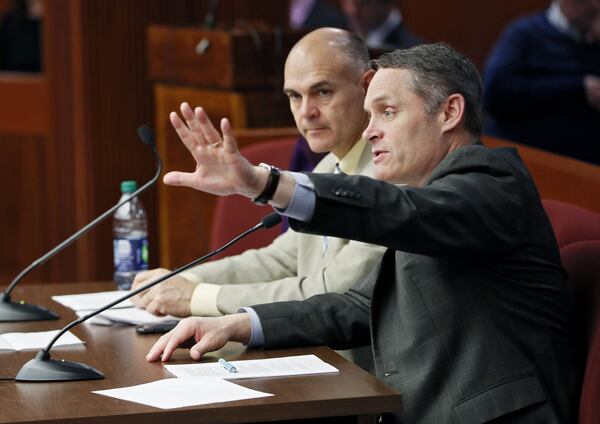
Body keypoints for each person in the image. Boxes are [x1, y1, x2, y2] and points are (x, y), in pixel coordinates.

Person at [146, 43, 582, 424]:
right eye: (370, 114)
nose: (370, 129)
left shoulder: (491, 184)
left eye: (388, 112)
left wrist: (266, 184)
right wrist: (239, 323)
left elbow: (399, 212)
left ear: (450, 112)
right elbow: (358, 305)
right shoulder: (428, 197)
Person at [132, 28, 385, 362]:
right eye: (294, 96)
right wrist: (183, 279)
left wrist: (199, 297)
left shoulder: (390, 173)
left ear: (367, 86)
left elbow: (332, 292)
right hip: (318, 360)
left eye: (322, 92)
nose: (306, 112)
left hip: (366, 381)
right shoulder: (328, 166)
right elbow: (281, 258)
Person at [483, 0, 600, 165]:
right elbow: (495, 93)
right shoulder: (525, 33)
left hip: (584, 169)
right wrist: (578, 89)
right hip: (522, 162)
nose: (596, 6)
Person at [340, 0, 423, 50]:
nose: (350, 10)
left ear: (387, 3)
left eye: (361, 3)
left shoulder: (413, 50)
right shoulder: (339, 35)